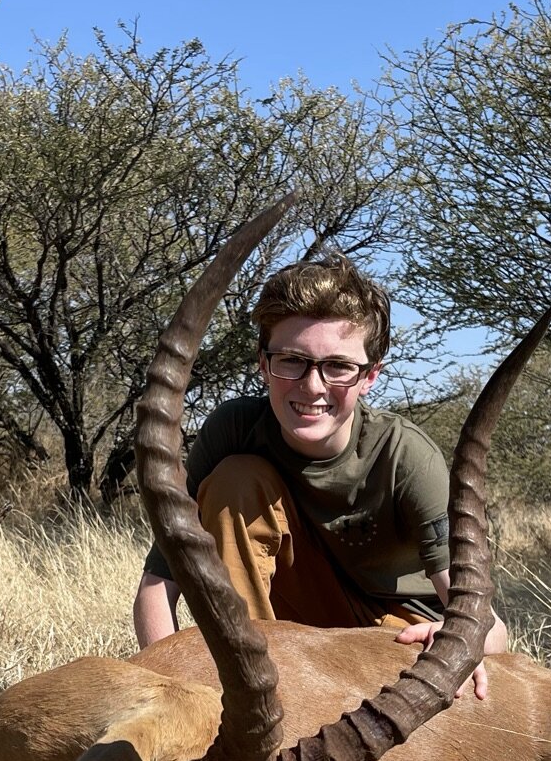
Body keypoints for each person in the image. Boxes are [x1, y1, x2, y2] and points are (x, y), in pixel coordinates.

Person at [132, 253, 507, 698]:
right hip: (288, 640)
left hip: (389, 635)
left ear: (370, 376)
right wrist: (172, 685)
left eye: (339, 367)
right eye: (291, 360)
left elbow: (491, 629)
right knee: (237, 479)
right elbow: (157, 586)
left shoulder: (406, 454)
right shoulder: (233, 430)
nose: (312, 386)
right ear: (262, 362)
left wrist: (454, 641)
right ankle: (249, 689)